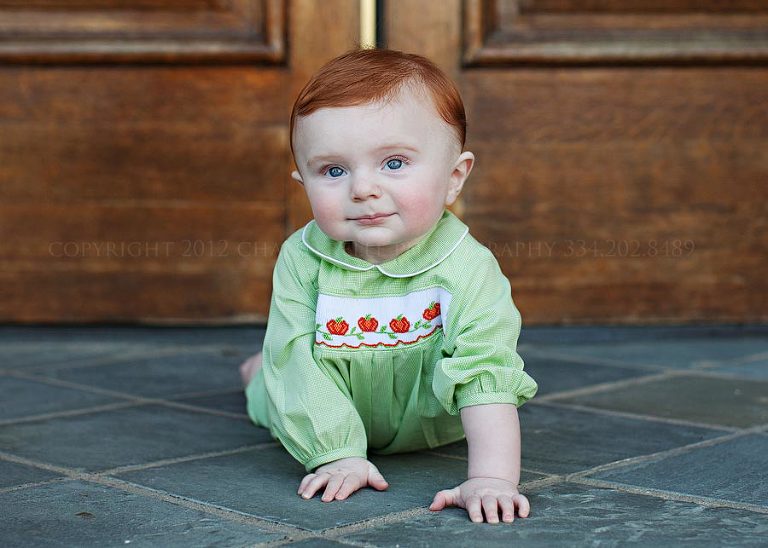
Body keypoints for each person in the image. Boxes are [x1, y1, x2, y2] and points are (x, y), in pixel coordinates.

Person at [241, 48, 538, 524]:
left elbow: (487, 370)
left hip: (429, 426)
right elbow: (295, 362)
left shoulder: (466, 267)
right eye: (333, 171)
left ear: (453, 178)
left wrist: (492, 478)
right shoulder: (302, 258)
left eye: (394, 163)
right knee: (273, 373)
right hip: (318, 415)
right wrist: (335, 453)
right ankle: (254, 374)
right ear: (303, 184)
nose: (362, 188)